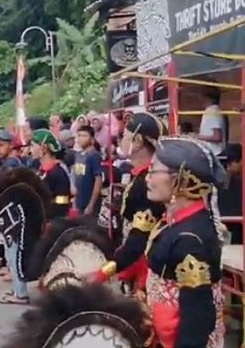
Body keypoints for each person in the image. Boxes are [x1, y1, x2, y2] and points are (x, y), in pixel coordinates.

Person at [141, 137, 226, 348]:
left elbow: (197, 319)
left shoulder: (190, 240)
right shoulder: (177, 223)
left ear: (181, 180)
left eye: (154, 171)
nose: (147, 178)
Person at [94, 112, 167, 293]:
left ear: (138, 141)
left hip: (144, 265)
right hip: (132, 257)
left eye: (125, 135)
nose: (120, 139)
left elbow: (138, 242)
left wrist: (103, 273)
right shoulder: (139, 176)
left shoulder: (148, 183)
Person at [0, 128, 28, 305]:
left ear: (10, 145)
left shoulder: (12, 165)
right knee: (10, 253)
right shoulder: (7, 163)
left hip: (14, 213)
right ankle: (17, 289)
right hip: (10, 213)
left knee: (14, 254)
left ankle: (20, 294)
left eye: (1, 145)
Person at [30, 129, 71, 217]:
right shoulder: (40, 170)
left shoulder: (57, 172)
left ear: (44, 148)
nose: (30, 150)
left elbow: (62, 201)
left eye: (33, 146)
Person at [73, 125, 103, 216]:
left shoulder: (94, 155)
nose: (81, 138)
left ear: (92, 139)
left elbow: (98, 180)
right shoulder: (78, 155)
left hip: (89, 203)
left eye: (84, 136)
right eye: (79, 135)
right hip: (79, 202)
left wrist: (91, 204)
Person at [219, 143, 242, 243]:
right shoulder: (226, 180)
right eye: (226, 164)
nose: (228, 168)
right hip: (230, 224)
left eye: (230, 163)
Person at [197, 86, 227, 156]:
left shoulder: (212, 111)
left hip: (214, 153)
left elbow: (217, 137)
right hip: (212, 152)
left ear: (206, 98)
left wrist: (197, 137)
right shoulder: (214, 110)